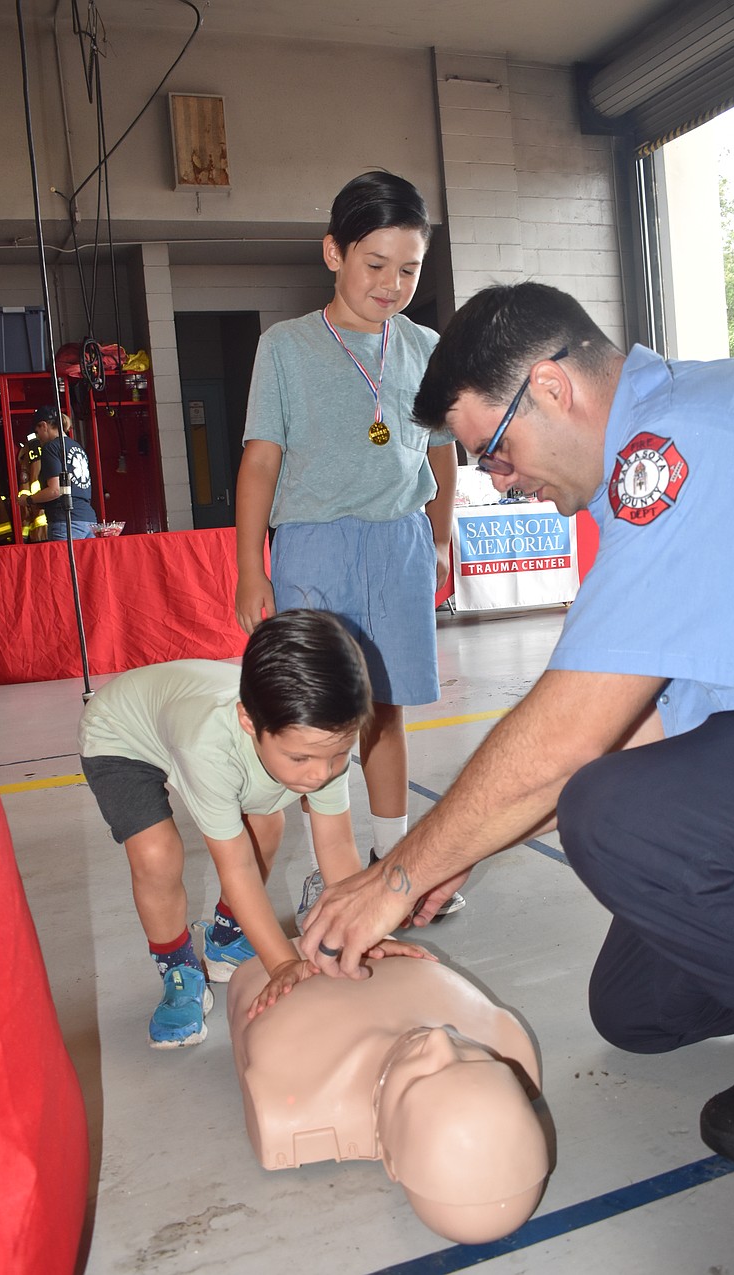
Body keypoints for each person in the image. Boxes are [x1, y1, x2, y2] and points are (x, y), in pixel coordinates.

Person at [301, 281, 734, 1175]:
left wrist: (400, 872)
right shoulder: (638, 478)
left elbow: (576, 736)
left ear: (550, 386)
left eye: (493, 453)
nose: (502, 480)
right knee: (636, 1008)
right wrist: (466, 849)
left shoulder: (687, 443)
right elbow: (641, 723)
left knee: (616, 815)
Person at [233, 170, 463, 923]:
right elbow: (261, 460)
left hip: (397, 543)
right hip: (313, 549)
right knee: (321, 712)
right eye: (375, 265)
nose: (392, 284)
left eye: (409, 268)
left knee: (387, 709)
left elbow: (439, 454)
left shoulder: (427, 347)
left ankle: (392, 862)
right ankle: (331, 874)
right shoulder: (287, 348)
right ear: (334, 252)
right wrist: (248, 568)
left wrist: (439, 537)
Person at [78, 609, 423, 1049]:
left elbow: (336, 844)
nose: (321, 775)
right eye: (301, 759)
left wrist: (364, 930)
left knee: (267, 824)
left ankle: (225, 937)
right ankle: (179, 966)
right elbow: (236, 867)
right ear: (249, 722)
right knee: (157, 853)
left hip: (184, 707)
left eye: (338, 755)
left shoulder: (317, 741)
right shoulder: (208, 746)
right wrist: (282, 964)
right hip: (120, 736)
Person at [227, 940, 548, 1244]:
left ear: (392, 1162)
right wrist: (358, 929)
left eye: (423, 1076)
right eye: (472, 1058)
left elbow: (239, 878)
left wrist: (282, 962)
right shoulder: (507, 1039)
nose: (440, 1041)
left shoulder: (285, 1089)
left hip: (263, 967)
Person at [21, 405, 97, 540]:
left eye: (37, 431)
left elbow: (55, 490)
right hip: (88, 520)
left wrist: (28, 500)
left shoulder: (51, 448)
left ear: (44, 425)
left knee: (63, 561)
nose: (38, 437)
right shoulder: (76, 446)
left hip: (66, 522)